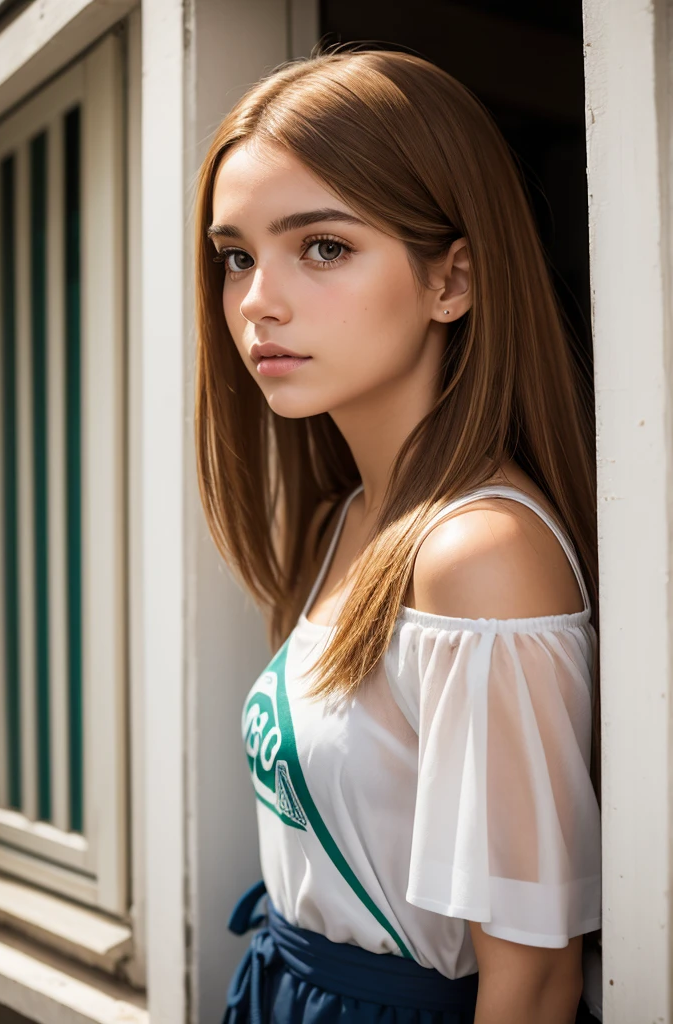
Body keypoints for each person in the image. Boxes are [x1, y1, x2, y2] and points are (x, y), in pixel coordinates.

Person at [193, 43, 602, 1024]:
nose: (258, 302)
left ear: (449, 280)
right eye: (237, 255)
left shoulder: (480, 557)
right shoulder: (343, 521)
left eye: (321, 246)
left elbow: (535, 979)